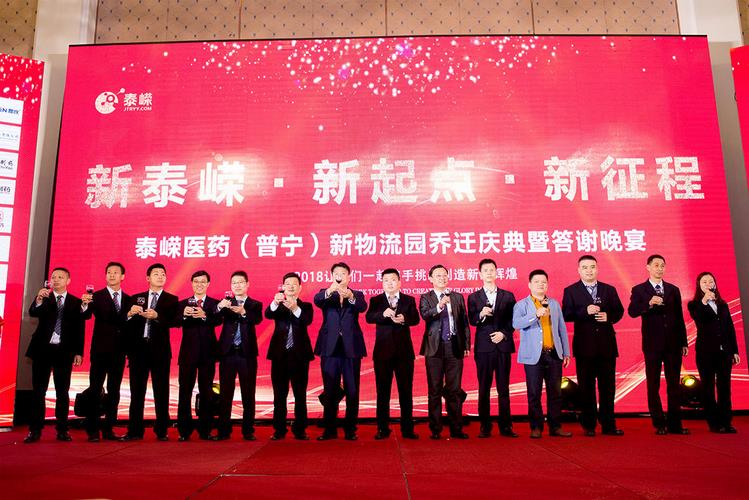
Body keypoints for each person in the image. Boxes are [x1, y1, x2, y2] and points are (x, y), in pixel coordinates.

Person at [562, 255, 625, 437]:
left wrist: (609, 317)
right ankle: (589, 424)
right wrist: (584, 311)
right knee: (586, 387)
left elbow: (619, 311)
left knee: (608, 387)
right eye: (585, 267)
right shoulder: (571, 290)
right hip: (584, 347)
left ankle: (608, 424)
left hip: (607, 346)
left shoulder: (609, 289)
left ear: (597, 268)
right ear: (579, 270)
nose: (589, 270)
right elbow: (566, 314)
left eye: (592, 267)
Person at [628, 254, 689, 435]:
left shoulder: (673, 289)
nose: (660, 268)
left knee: (674, 384)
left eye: (662, 265)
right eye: (656, 265)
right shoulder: (639, 290)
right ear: (648, 267)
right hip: (652, 344)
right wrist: (648, 303)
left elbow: (679, 317)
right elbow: (632, 311)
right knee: (653, 384)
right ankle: (659, 423)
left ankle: (675, 424)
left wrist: (683, 341)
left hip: (673, 344)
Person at [24, 267, 85, 443]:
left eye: (60, 277)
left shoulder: (76, 302)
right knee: (38, 392)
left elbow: (80, 329)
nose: (56, 279)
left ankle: (62, 430)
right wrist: (38, 299)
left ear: (68, 281)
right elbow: (33, 312)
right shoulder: (44, 298)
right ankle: (35, 430)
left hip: (64, 352)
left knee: (62, 392)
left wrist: (78, 352)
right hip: (42, 350)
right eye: (53, 277)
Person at [121, 263, 178, 441]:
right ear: (148, 278)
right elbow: (125, 324)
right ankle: (134, 430)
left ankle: (161, 430)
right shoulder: (136, 298)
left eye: (163, 274)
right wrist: (129, 314)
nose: (160, 276)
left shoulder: (171, 299)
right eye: (156, 274)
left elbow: (175, 322)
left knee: (161, 391)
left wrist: (157, 316)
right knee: (137, 392)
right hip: (138, 351)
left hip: (160, 351)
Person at [513, 269, 572, 439]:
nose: (541, 284)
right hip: (533, 356)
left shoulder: (554, 304)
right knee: (534, 393)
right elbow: (516, 324)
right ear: (530, 285)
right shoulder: (521, 305)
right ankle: (536, 427)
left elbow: (562, 329)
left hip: (553, 354)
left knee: (556, 393)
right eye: (537, 282)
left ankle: (555, 426)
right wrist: (535, 314)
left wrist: (566, 352)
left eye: (544, 282)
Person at [314, 262, 367, 441]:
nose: (340, 276)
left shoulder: (357, 294)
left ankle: (350, 429)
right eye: (336, 273)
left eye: (343, 273)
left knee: (352, 390)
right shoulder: (325, 293)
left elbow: (362, 307)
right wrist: (331, 290)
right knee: (330, 390)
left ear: (349, 276)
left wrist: (350, 296)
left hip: (351, 349)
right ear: (331, 276)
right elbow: (317, 300)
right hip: (330, 348)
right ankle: (329, 429)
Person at [365, 268, 420, 440]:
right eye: (386, 280)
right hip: (382, 353)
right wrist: (383, 314)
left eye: (393, 280)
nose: (390, 283)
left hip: (404, 353)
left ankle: (407, 429)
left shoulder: (409, 300)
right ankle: (382, 428)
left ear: (399, 282)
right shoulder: (376, 300)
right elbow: (369, 317)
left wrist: (404, 319)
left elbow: (416, 319)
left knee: (406, 392)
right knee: (382, 393)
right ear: (382, 283)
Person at [419, 264, 471, 440]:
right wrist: (439, 306)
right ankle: (435, 429)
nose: (442, 278)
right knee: (434, 390)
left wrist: (466, 344)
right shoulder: (426, 297)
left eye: (444, 275)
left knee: (454, 389)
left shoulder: (457, 297)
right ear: (430, 279)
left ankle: (456, 428)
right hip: (434, 348)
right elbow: (425, 315)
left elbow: (464, 322)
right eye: (438, 275)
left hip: (454, 346)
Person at [80, 261, 131, 442]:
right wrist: (84, 305)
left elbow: (129, 326)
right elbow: (85, 315)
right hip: (100, 351)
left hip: (119, 352)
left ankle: (109, 428)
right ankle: (92, 429)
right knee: (95, 390)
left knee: (114, 391)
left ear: (122, 276)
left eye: (116, 272)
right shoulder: (96, 296)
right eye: (109, 272)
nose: (112, 275)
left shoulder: (129, 299)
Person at [468, 258, 518, 438]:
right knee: (484, 388)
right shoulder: (474, 297)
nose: (489, 273)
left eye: (492, 270)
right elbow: (472, 320)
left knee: (503, 388)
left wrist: (503, 334)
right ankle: (485, 426)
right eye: (485, 270)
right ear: (480, 274)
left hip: (503, 346)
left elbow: (514, 320)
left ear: (497, 272)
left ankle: (506, 426)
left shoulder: (508, 296)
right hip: (484, 348)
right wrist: (481, 314)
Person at [687, 272, 740, 433]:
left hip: (724, 352)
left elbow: (730, 328)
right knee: (708, 388)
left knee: (725, 387)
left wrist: (734, 351)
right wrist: (704, 301)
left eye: (711, 281)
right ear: (699, 285)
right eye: (704, 282)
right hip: (706, 353)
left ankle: (726, 421)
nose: (708, 284)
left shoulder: (723, 304)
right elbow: (698, 318)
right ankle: (714, 422)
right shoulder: (694, 304)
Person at [214, 270, 263, 441]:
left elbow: (257, 319)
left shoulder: (255, 304)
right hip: (227, 353)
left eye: (241, 282)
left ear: (247, 284)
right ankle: (223, 431)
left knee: (248, 393)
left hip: (246, 354)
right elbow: (214, 316)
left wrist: (243, 312)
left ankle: (248, 430)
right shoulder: (226, 302)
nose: (237, 285)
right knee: (225, 393)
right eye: (234, 283)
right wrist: (219, 307)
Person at [265, 272, 314, 440]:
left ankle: (300, 429)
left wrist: (294, 308)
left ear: (300, 287)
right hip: (279, 355)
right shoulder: (278, 305)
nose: (291, 286)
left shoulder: (306, 306)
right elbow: (268, 314)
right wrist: (275, 302)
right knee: (279, 394)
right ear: (283, 287)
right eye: (287, 284)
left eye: (294, 284)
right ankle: (279, 429)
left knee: (300, 394)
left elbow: (306, 320)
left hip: (300, 356)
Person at [175, 270, 221, 441]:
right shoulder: (183, 304)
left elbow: (219, 320)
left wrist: (204, 316)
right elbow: (173, 321)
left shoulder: (215, 304)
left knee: (207, 392)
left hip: (208, 354)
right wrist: (184, 315)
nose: (199, 284)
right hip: (187, 354)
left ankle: (205, 430)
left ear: (208, 284)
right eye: (196, 281)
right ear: (192, 283)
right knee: (184, 392)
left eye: (203, 282)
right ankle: (184, 431)